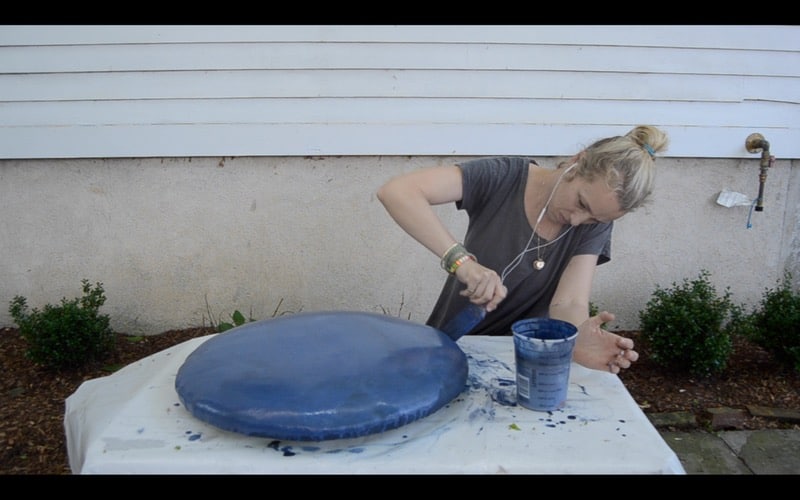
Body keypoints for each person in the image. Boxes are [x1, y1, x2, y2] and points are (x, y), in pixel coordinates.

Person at [376, 125, 668, 374]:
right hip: (454, 346)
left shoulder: (594, 222)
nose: (579, 221)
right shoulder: (505, 177)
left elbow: (568, 302)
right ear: (576, 162)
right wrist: (462, 263)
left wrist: (576, 339)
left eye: (595, 219)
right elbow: (398, 192)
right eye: (581, 203)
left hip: (525, 363)